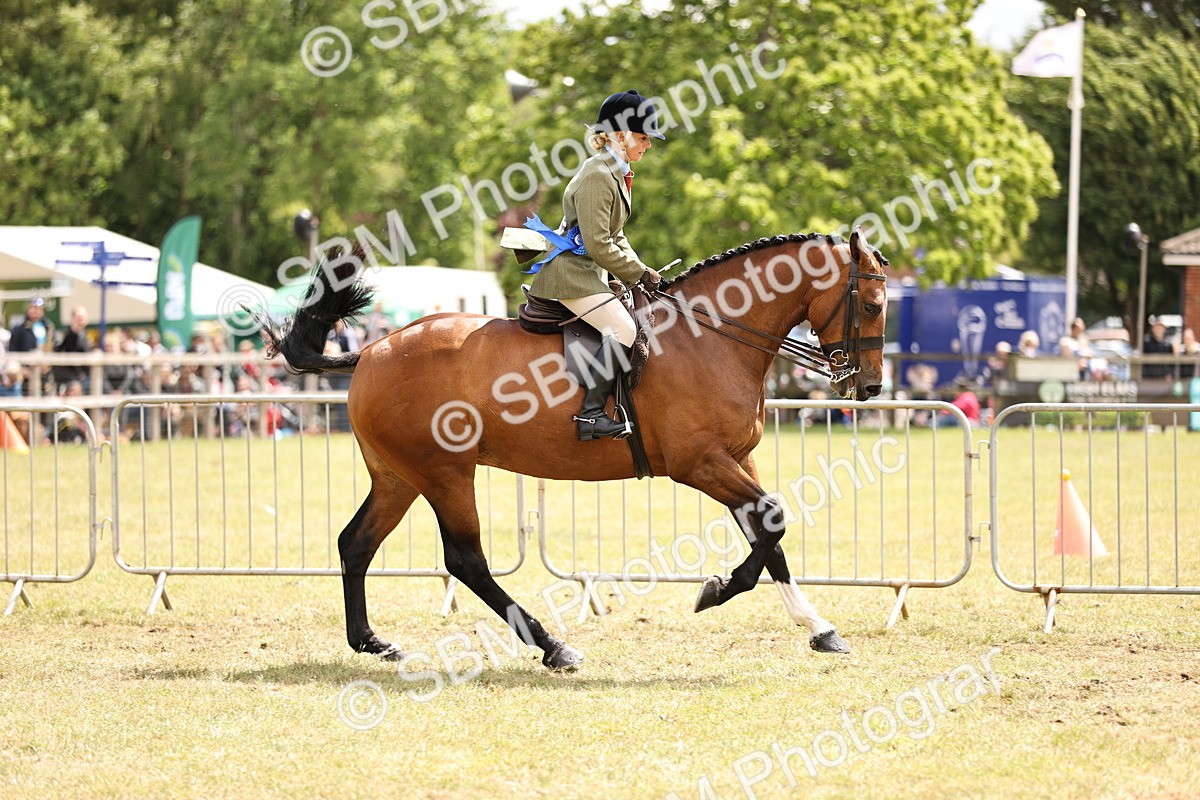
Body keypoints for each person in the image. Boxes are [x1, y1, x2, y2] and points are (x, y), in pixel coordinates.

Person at [525, 89, 666, 441]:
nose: (648, 145)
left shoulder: (616, 172)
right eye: (643, 137)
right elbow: (598, 243)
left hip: (589, 272)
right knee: (624, 330)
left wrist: (641, 272)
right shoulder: (597, 174)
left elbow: (616, 235)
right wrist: (636, 273)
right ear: (619, 134)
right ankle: (590, 416)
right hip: (571, 275)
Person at [54, 305, 92, 392]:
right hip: (68, 378)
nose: (81, 319)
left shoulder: (84, 336)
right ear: (72, 319)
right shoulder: (65, 336)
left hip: (84, 378)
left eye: (83, 317)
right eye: (78, 317)